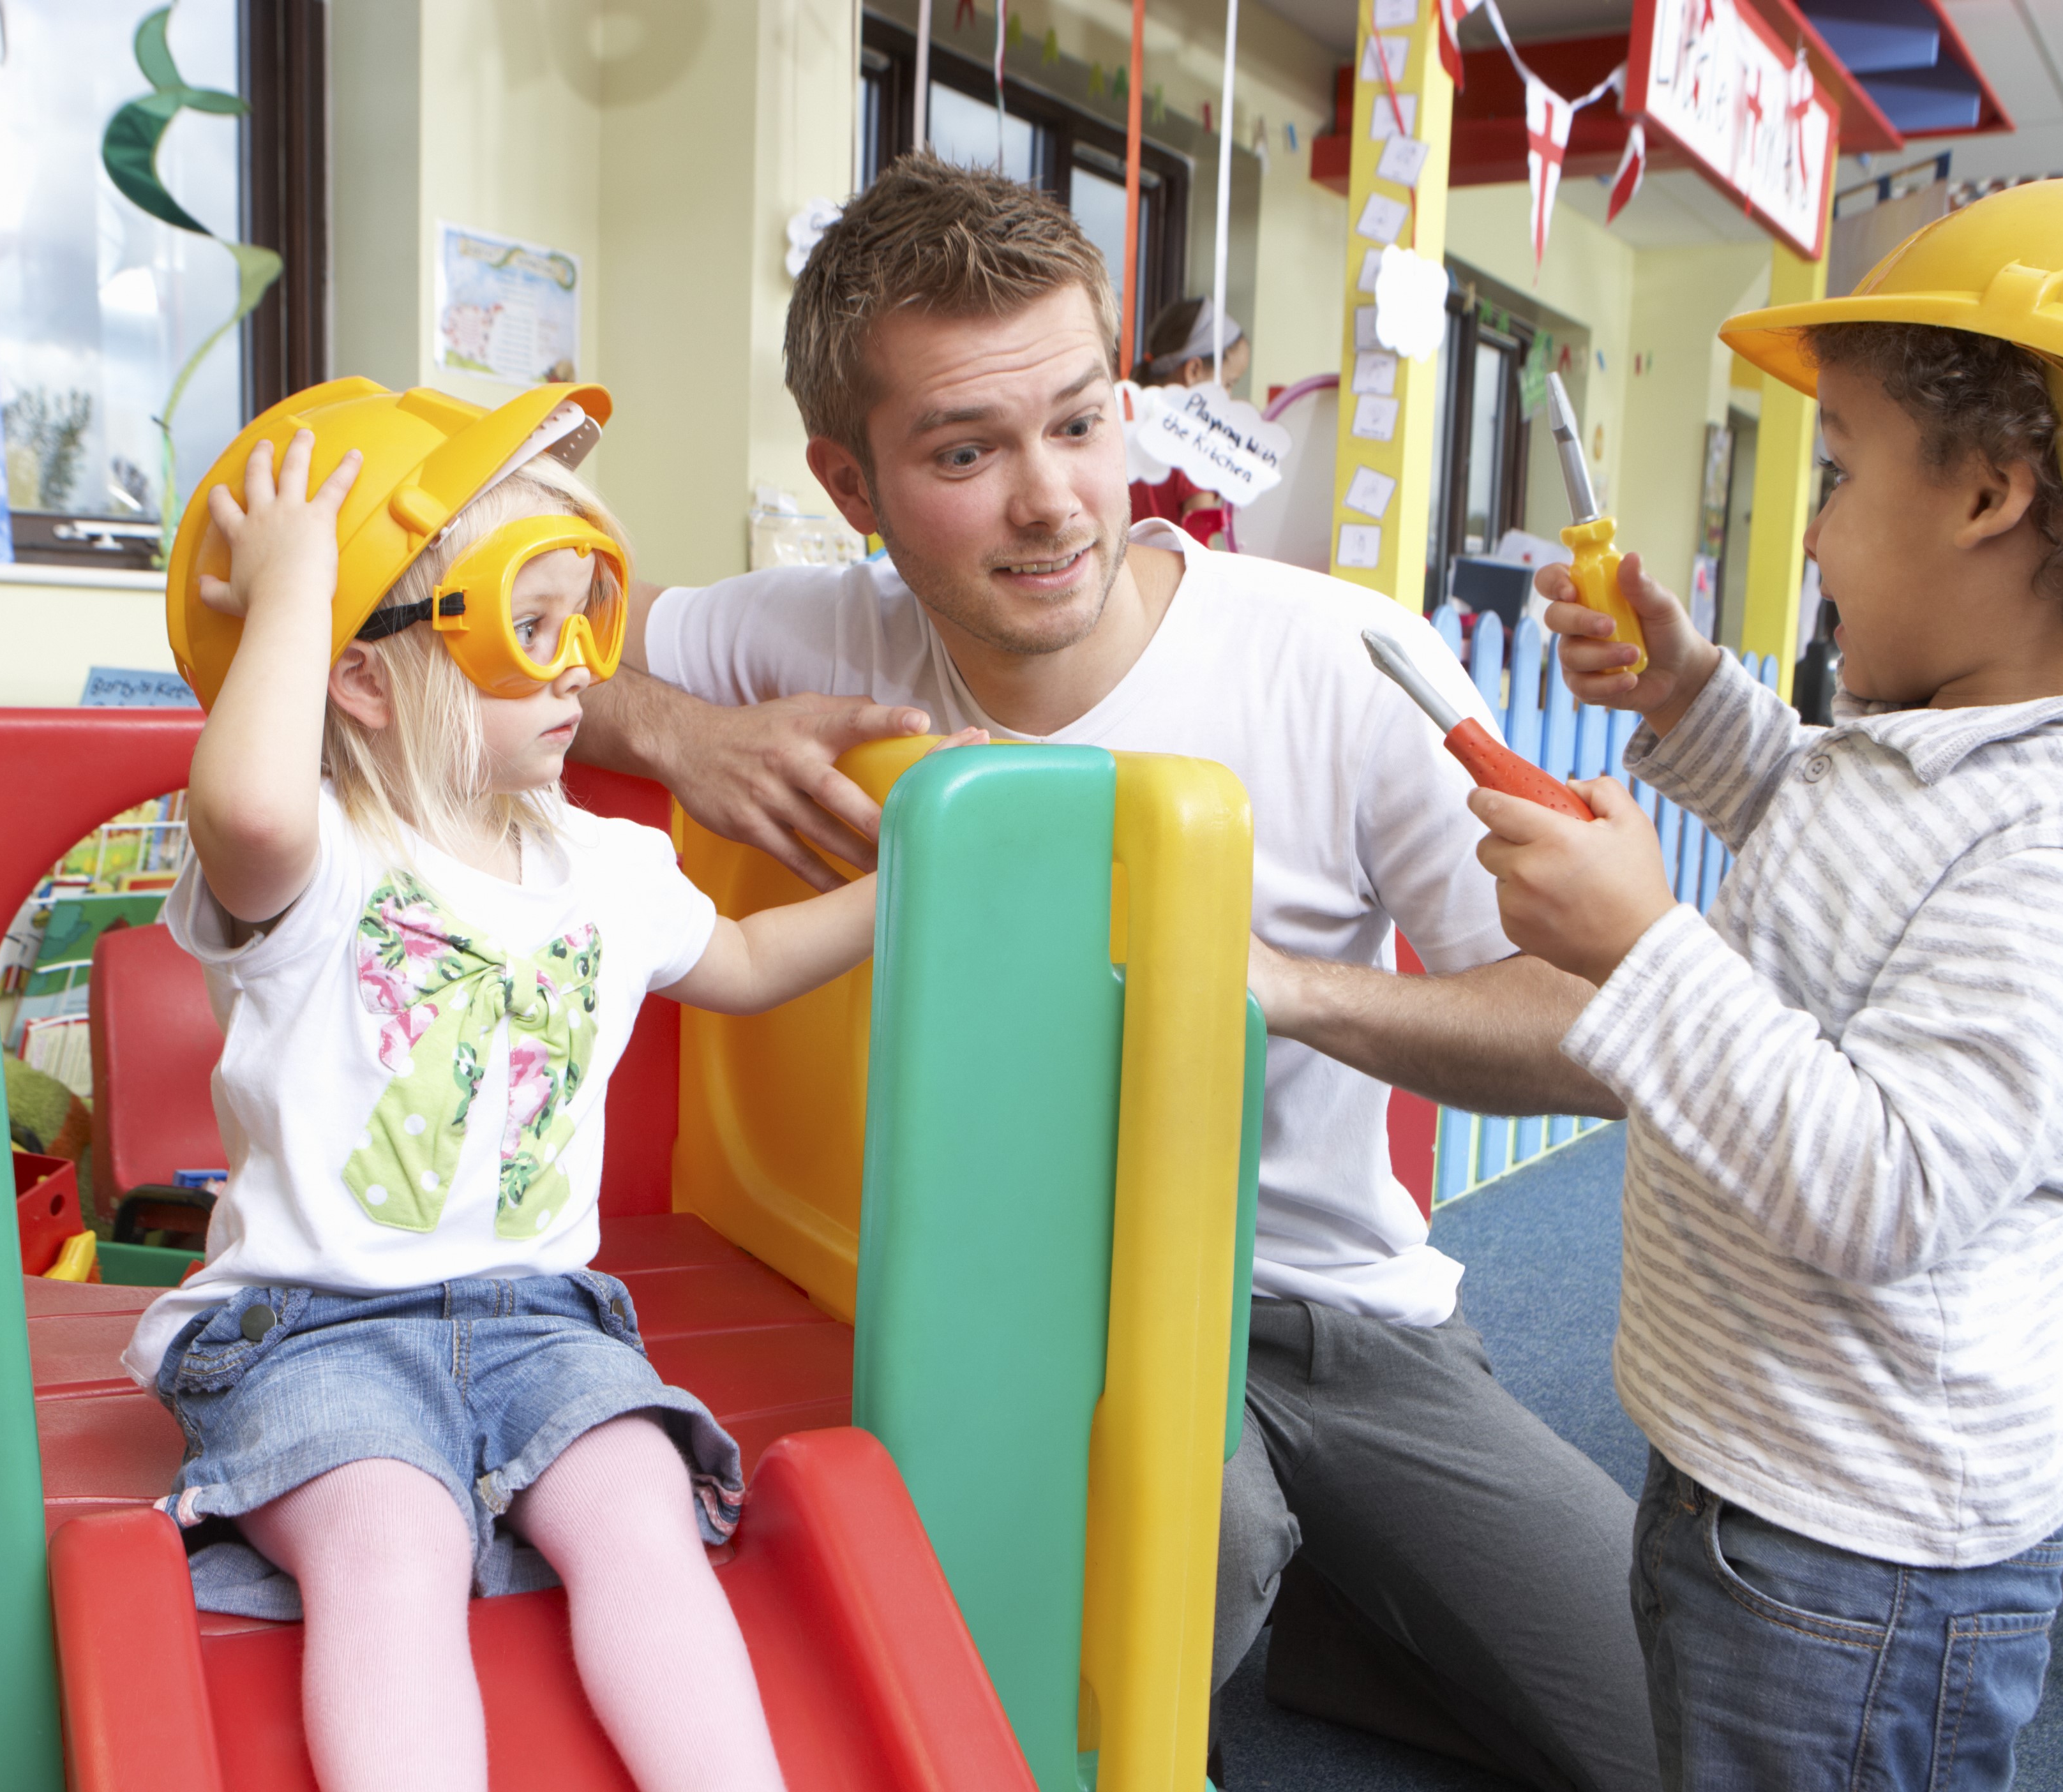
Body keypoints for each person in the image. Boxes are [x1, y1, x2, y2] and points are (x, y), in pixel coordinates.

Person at [577, 153, 1662, 1792]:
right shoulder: (821, 632)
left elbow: (1593, 1030)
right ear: (851, 483)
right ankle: (1277, 1590)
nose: (1053, 501)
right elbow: (489, 635)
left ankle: (1341, 1607)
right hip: (1026, 1315)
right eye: (966, 452)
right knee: (1148, 1623)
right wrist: (676, 727)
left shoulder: (1337, 661)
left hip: (1329, 1316)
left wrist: (1273, 985)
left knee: (1669, 1739)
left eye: (1080, 424)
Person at [1469, 181, 2063, 1789]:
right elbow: (1831, 840)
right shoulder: (1945, 747)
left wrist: (1644, 950)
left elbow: (1886, 1187)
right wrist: (1685, 689)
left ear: (1991, 496)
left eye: (1839, 471)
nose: (1811, 531)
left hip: (1858, 1566)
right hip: (1763, 1479)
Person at [133, 380, 970, 1792]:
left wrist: (920, 873)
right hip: (315, 1332)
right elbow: (250, 802)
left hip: (542, 1318)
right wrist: (292, 593)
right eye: (534, 628)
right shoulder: (322, 863)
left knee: (641, 1504)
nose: (584, 666)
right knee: (392, 1541)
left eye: (593, 615)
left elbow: (747, 958)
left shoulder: (609, 865)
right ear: (363, 678)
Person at [1127, 293, 1252, 546]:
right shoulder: (1196, 449)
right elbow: (1200, 549)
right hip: (1169, 572)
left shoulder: (1122, 428)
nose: (1228, 397)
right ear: (1193, 370)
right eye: (1228, 384)